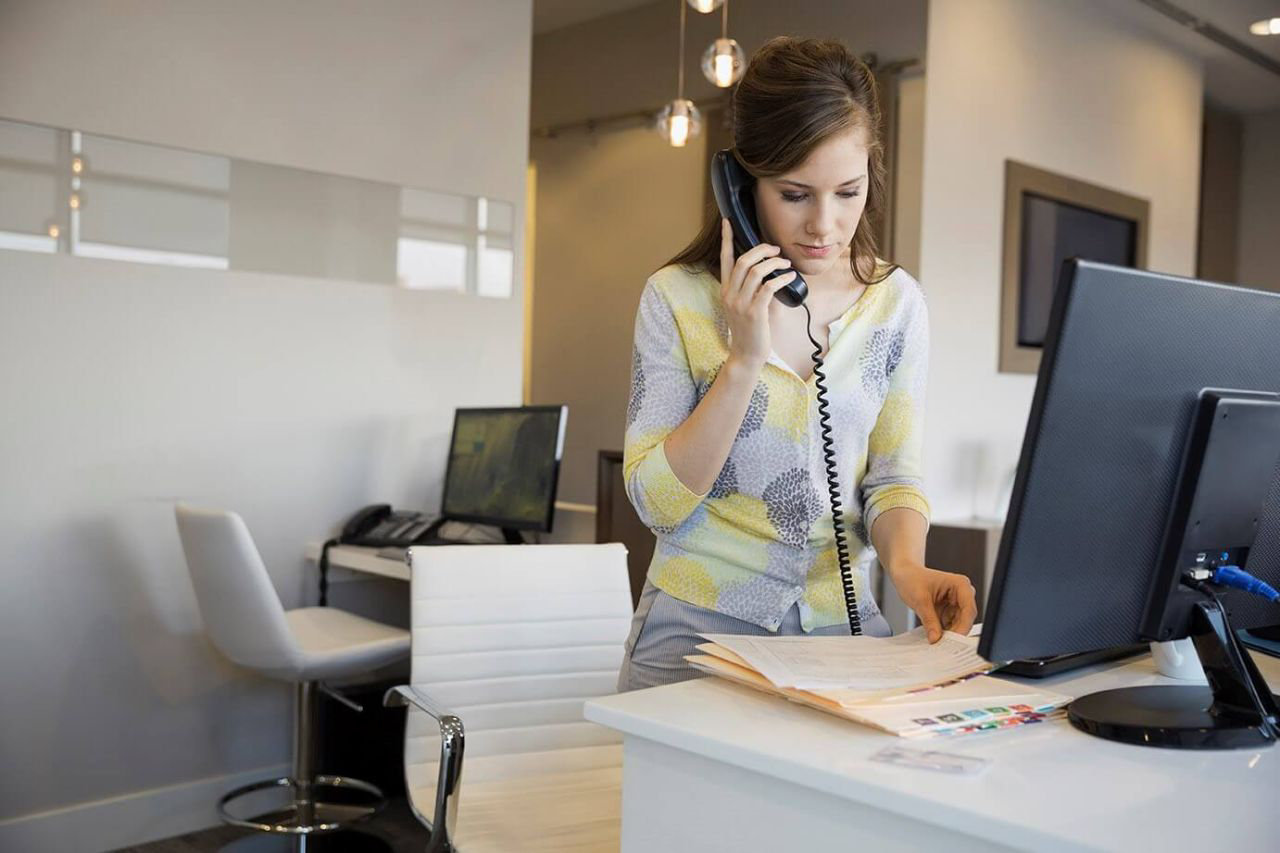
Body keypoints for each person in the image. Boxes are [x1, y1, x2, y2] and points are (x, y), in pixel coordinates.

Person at [617, 37, 977, 692]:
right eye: (794, 193)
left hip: (840, 633)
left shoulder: (895, 305)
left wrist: (907, 567)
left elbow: (893, 475)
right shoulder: (677, 299)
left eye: (848, 191)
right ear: (739, 184)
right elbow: (657, 503)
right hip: (696, 635)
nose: (825, 224)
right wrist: (743, 359)